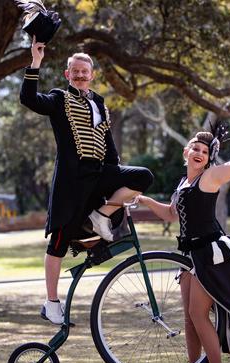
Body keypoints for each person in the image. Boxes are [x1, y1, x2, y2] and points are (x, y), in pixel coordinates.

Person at [19, 37, 153, 325]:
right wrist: (35, 63)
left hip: (99, 174)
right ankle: (51, 302)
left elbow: (108, 147)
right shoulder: (59, 99)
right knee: (58, 242)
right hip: (72, 181)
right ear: (68, 74)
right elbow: (29, 99)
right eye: (75, 71)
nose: (80, 75)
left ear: (92, 75)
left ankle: (100, 215)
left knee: (143, 176)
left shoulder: (101, 105)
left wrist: (117, 178)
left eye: (85, 71)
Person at [138, 113, 230, 363]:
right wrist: (146, 201)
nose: (199, 153)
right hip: (188, 256)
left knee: (198, 314)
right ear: (186, 152)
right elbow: (171, 214)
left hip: (210, 254)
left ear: (207, 157)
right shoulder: (182, 184)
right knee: (190, 318)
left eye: (204, 151)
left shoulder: (209, 177)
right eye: (195, 148)